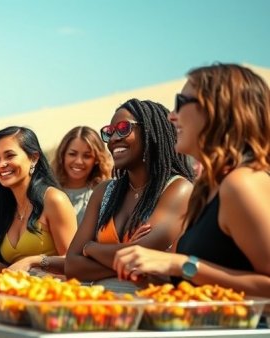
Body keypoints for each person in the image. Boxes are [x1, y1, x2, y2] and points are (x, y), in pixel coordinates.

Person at [113, 64, 270, 298]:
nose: (171, 116)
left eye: (181, 102)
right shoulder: (207, 188)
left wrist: (181, 265)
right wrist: (155, 274)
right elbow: (203, 279)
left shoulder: (243, 183)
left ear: (217, 110)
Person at [64, 98, 193, 292]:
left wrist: (90, 248)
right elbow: (72, 266)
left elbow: (139, 256)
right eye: (109, 131)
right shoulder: (104, 191)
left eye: (124, 128)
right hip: (98, 306)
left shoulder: (178, 189)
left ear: (151, 132)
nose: (114, 138)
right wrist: (123, 256)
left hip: (147, 308)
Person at [0, 126, 77, 274]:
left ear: (34, 158)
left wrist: (33, 261)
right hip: (18, 295)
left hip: (53, 294)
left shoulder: (54, 199)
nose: (1, 164)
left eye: (10, 156)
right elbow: (14, 274)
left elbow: (74, 262)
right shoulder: (6, 206)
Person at [51, 126, 112, 224]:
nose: (79, 161)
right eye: (72, 154)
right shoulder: (47, 192)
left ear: (97, 159)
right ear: (62, 155)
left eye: (87, 156)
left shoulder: (105, 195)